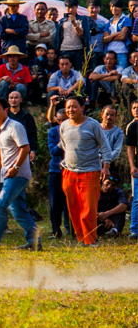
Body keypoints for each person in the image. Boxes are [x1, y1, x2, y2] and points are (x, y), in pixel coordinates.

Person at [0, 98, 39, 250]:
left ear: (6, 110)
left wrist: (16, 167)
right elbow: (0, 151)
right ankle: (34, 242)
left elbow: (25, 148)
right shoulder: (0, 128)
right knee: (18, 211)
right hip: (7, 175)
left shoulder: (15, 126)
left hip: (17, 175)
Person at [59, 95, 112, 246]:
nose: (70, 110)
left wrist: (106, 167)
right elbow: (64, 145)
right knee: (74, 207)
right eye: (68, 107)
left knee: (88, 208)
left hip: (90, 172)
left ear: (82, 108)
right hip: (69, 172)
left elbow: (105, 146)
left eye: (74, 106)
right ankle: (81, 237)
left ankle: (90, 239)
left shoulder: (93, 125)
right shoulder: (64, 125)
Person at [46, 103, 72, 239]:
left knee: (71, 202)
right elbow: (54, 151)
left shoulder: (75, 129)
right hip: (56, 170)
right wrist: (64, 141)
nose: (62, 123)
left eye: (64, 120)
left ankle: (72, 229)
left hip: (73, 169)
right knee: (55, 203)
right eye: (59, 120)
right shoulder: (53, 131)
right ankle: (56, 230)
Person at [55, 0, 92, 71]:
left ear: (77, 7)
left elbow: (81, 33)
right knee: (64, 71)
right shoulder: (61, 21)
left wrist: (73, 22)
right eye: (68, 7)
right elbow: (59, 37)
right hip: (64, 49)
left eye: (73, 7)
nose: (70, 10)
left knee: (79, 72)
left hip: (78, 49)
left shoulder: (82, 19)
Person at [125, 100, 138, 239]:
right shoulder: (133, 126)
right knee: (137, 199)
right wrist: (132, 165)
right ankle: (134, 230)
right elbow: (130, 147)